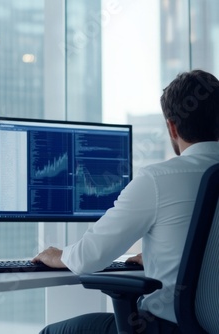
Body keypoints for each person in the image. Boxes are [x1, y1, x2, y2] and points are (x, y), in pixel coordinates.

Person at [32, 69, 219, 334]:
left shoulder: (159, 179)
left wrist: (60, 255)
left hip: (168, 327)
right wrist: (167, 258)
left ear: (171, 126)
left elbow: (90, 258)